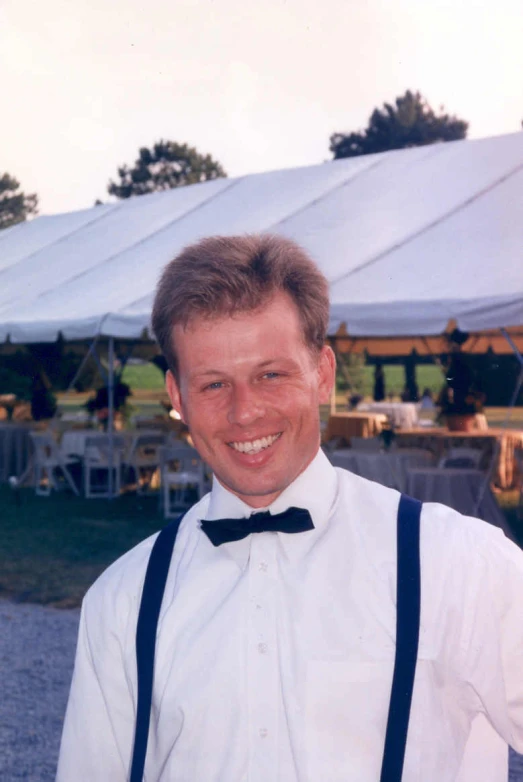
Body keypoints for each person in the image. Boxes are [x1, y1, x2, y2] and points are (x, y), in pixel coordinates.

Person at [57, 234, 523, 782]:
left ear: (322, 374)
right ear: (177, 397)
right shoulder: (122, 602)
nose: (245, 412)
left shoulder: (457, 562)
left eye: (271, 374)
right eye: (213, 384)